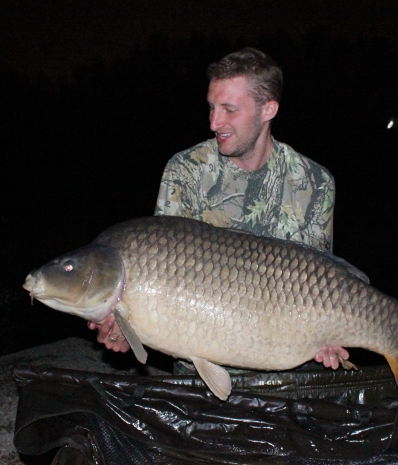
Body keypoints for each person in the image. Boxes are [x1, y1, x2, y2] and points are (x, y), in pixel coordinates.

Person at [89, 48, 350, 369]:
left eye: (229, 109)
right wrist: (128, 325)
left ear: (268, 110)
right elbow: (160, 277)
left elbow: (317, 283)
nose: (214, 122)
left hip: (283, 365)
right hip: (197, 365)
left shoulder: (314, 181)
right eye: (212, 107)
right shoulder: (185, 169)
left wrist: (329, 339)